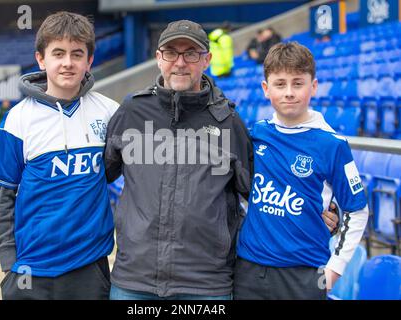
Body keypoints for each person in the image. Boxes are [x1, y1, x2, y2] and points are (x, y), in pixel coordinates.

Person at [104, 20, 338, 300]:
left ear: (207, 60)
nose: (180, 62)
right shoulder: (132, 112)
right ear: (158, 58)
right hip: (134, 280)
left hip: (207, 284)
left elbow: (262, 192)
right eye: (171, 52)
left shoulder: (228, 122)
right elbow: (96, 178)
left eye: (191, 53)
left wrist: (319, 210)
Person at [0, 11, 119, 300]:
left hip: (89, 267)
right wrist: (8, 261)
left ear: (89, 61)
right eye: (58, 53)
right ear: (41, 59)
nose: (67, 63)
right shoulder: (17, 120)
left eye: (77, 54)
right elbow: (2, 195)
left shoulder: (109, 112)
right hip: (29, 268)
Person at [234, 42, 369, 300]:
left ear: (313, 86)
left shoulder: (333, 144)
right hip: (248, 270)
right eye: (280, 84)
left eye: (298, 83)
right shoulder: (256, 134)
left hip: (304, 275)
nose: (289, 92)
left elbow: (357, 209)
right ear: (266, 89)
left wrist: (333, 272)